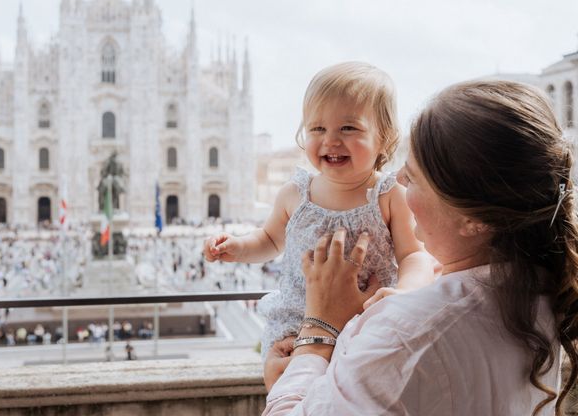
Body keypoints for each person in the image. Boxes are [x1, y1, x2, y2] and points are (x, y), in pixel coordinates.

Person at [262, 80, 578, 416]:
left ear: (475, 220)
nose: (395, 180)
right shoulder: (538, 285)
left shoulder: (404, 335)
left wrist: (317, 331)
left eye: (412, 177)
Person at [203, 62, 434, 360]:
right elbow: (269, 240)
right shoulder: (295, 193)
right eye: (317, 128)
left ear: (385, 138)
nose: (331, 140)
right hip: (297, 325)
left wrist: (404, 293)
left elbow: (414, 255)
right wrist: (237, 246)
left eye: (348, 128)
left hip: (367, 321)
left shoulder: (389, 196)